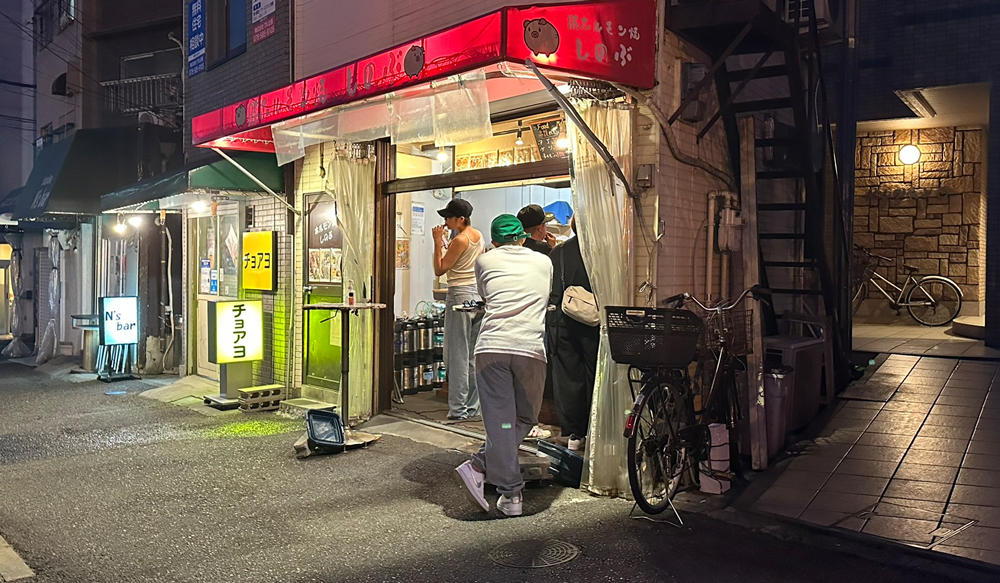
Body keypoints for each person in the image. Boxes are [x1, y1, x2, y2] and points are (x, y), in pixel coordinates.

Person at [454, 214, 552, 517]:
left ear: (494, 241)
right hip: (530, 348)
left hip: (492, 348)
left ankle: (479, 465)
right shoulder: (543, 262)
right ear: (523, 237)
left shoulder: (485, 261)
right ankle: (511, 493)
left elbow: (485, 296)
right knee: (525, 418)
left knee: (503, 422)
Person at [547, 217, 599, 451]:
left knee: (568, 378)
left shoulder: (558, 252)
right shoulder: (601, 252)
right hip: (592, 321)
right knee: (595, 376)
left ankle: (574, 434)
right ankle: (596, 430)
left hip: (562, 321)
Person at [433, 198, 485, 421]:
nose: (445, 220)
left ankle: (458, 410)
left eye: (448, 217)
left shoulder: (461, 239)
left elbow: (440, 268)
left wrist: (437, 242)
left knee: (457, 354)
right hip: (476, 295)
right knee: (473, 354)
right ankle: (472, 408)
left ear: (460, 219)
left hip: (460, 295)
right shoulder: (478, 236)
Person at [516, 203, 558, 441]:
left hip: (516, 321)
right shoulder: (544, 251)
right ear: (541, 227)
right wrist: (554, 249)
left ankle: (519, 422)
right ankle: (530, 421)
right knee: (533, 374)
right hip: (539, 317)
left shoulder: (514, 250)